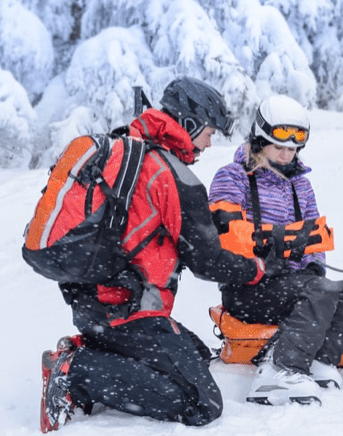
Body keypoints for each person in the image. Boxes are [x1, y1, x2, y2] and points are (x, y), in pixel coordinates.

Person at [38, 77, 286, 432]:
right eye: (209, 131)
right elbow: (207, 262)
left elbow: (147, 230)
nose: (210, 141)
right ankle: (74, 370)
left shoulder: (130, 150)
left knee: (198, 354)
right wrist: (258, 268)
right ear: (188, 124)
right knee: (202, 403)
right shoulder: (172, 175)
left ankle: (94, 347)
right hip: (127, 313)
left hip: (94, 305)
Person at [209, 95, 343, 406]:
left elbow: (314, 238)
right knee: (320, 291)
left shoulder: (301, 185)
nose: (287, 154)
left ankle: (317, 358)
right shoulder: (232, 177)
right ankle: (280, 370)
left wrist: (312, 266)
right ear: (260, 141)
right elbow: (224, 235)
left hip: (294, 285)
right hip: (247, 287)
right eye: (279, 146)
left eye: (293, 148)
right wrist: (277, 243)